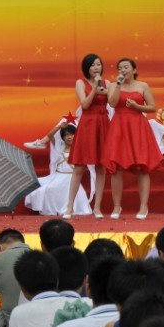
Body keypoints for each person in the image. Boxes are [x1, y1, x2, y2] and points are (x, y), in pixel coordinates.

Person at [103, 58, 162, 220]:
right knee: (117, 167)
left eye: (126, 67)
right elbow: (112, 103)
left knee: (142, 167)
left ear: (134, 70)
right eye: (120, 68)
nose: (123, 70)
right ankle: (117, 206)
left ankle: (143, 206)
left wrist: (137, 107)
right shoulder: (113, 85)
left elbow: (152, 107)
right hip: (119, 127)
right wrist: (118, 85)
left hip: (137, 126)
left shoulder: (143, 86)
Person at [63, 54, 110, 219]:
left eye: (99, 64)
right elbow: (85, 105)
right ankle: (69, 207)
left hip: (103, 123)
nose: (96, 67)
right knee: (79, 167)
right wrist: (95, 89)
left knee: (100, 167)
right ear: (87, 68)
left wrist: (107, 89)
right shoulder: (80, 83)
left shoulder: (107, 83)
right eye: (93, 65)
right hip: (88, 124)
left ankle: (97, 207)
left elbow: (113, 101)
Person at [25, 124, 93, 217]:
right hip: (58, 176)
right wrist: (59, 126)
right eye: (66, 135)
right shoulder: (59, 147)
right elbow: (50, 136)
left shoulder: (79, 149)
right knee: (44, 188)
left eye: (72, 134)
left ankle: (68, 208)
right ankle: (50, 209)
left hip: (72, 178)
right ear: (63, 137)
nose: (69, 137)